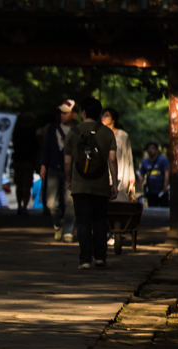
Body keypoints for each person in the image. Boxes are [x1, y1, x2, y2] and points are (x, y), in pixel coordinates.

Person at [64, 96, 119, 270]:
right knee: (100, 221)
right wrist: (114, 184)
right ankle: (101, 257)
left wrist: (69, 180)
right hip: (100, 186)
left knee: (83, 222)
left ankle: (85, 259)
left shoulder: (72, 133)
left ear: (83, 112)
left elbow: (67, 162)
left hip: (80, 186)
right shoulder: (107, 133)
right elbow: (112, 159)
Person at [40, 99, 79, 242]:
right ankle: (58, 224)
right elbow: (46, 148)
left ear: (74, 115)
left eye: (66, 112)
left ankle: (68, 230)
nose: (62, 115)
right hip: (53, 169)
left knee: (70, 201)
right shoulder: (52, 128)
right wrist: (43, 165)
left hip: (73, 171)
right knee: (51, 203)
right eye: (61, 112)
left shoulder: (78, 130)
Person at [101, 107, 136, 202]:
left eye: (106, 115)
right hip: (103, 175)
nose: (103, 117)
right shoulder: (100, 134)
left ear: (113, 119)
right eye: (102, 115)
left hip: (121, 173)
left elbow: (129, 156)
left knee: (118, 202)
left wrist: (131, 176)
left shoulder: (123, 136)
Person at [11, 112, 40, 215]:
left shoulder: (17, 131)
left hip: (18, 160)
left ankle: (19, 205)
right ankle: (25, 206)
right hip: (29, 162)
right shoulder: (33, 132)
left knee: (19, 184)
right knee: (27, 185)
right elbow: (36, 148)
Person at [138, 142, 170, 207]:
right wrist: (139, 187)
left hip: (162, 190)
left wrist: (165, 185)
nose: (150, 151)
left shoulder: (163, 160)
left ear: (156, 150)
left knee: (164, 208)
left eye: (152, 148)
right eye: (149, 149)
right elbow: (141, 174)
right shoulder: (145, 162)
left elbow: (166, 172)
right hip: (151, 191)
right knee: (152, 209)